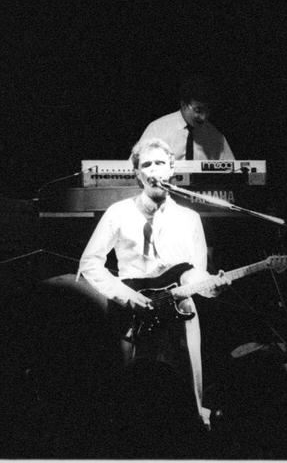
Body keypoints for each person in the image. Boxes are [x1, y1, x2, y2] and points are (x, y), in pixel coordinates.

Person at [78, 136, 221, 426]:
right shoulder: (117, 213)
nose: (154, 170)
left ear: (171, 170)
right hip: (131, 308)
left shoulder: (190, 218)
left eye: (160, 163)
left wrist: (213, 287)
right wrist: (123, 295)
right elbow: (89, 263)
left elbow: (196, 274)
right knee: (127, 392)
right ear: (137, 174)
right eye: (147, 164)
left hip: (179, 311)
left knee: (184, 394)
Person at [137, 75, 235, 161]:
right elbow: (133, 169)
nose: (204, 117)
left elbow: (233, 174)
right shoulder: (157, 129)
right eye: (198, 110)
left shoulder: (215, 137)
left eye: (207, 111)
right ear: (184, 105)